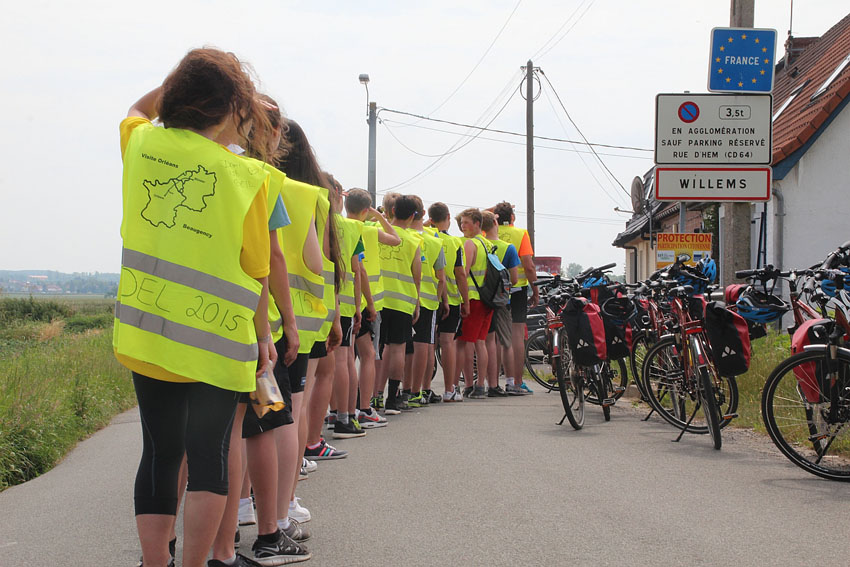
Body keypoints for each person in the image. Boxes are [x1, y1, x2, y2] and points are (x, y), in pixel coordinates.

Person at [117, 48, 275, 567]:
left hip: (151, 334)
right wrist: (266, 339)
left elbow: (138, 109)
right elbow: (255, 269)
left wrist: (183, 79)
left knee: (160, 456)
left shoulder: (142, 145)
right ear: (230, 106)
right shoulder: (249, 178)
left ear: (181, 98)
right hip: (219, 343)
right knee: (208, 461)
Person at [343, 188, 400, 426]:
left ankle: (340, 409)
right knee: (368, 356)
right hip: (369, 301)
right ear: (366, 211)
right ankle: (364, 408)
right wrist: (380, 217)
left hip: (343, 300)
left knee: (345, 358)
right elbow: (396, 239)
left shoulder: (339, 226)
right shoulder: (368, 229)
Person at [376, 194, 422, 414]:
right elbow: (417, 276)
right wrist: (417, 303)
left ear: (392, 211)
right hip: (402, 301)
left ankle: (372, 397)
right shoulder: (414, 241)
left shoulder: (375, 230)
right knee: (397, 349)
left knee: (375, 350)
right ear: (413, 216)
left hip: (376, 298)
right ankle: (392, 399)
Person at [405, 196, 448, 407]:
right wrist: (441, 299)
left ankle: (401, 390)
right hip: (428, 300)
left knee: (400, 346)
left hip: (402, 297)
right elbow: (441, 278)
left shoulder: (400, 236)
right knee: (425, 346)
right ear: (423, 215)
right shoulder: (434, 241)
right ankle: (419, 390)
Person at [493, 201, 539, 394]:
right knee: (517, 337)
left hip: (494, 291)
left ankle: (492, 382)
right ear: (512, 217)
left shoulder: (488, 234)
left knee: (495, 338)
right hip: (517, 290)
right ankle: (517, 382)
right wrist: (535, 290)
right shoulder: (520, 234)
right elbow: (528, 265)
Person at [426, 202, 470, 402]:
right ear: (449, 217)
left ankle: (422, 389)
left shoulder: (425, 237)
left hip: (429, 296)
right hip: (451, 298)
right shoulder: (454, 243)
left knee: (428, 344)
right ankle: (449, 389)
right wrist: (466, 300)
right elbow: (460, 274)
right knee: (448, 343)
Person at [481, 211, 520, 397]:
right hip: (502, 299)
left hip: (484, 298)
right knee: (506, 342)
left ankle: (491, 381)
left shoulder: (480, 245)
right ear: (496, 223)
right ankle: (511, 382)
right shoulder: (508, 248)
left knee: (489, 341)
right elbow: (514, 278)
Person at [455, 208, 492, 399]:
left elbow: (464, 271)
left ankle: (469, 384)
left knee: (465, 343)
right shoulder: (486, 244)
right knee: (480, 342)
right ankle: (481, 384)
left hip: (472, 298)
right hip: (487, 299)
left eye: (467, 223)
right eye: (461, 223)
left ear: (478, 223)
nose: (463, 227)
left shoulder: (470, 244)